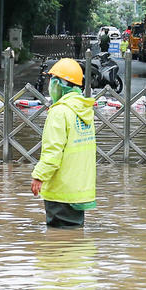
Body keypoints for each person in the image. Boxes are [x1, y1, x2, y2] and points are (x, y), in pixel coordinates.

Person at [31, 58, 97, 228]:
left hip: (61, 192)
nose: (50, 85)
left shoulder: (60, 112)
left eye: (52, 80)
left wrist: (39, 175)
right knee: (74, 240)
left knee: (58, 245)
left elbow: (53, 152)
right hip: (79, 191)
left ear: (61, 84)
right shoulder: (83, 110)